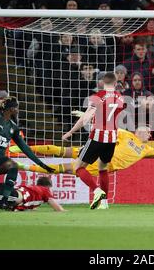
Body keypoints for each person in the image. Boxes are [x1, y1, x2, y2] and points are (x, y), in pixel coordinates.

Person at [0, 126, 154, 209]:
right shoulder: (125, 135)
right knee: (58, 149)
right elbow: (105, 131)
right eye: (146, 130)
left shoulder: (146, 149)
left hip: (98, 166)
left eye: (149, 132)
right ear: (138, 131)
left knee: (57, 169)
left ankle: (17, 162)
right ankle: (16, 150)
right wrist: (88, 124)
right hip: (93, 153)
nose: (149, 133)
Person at [61, 72, 124, 210]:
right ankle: (105, 203)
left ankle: (97, 191)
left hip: (97, 137)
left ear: (102, 82)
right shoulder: (120, 98)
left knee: (77, 167)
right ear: (115, 83)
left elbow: (86, 119)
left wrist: (71, 132)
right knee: (103, 168)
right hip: (112, 138)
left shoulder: (97, 97)